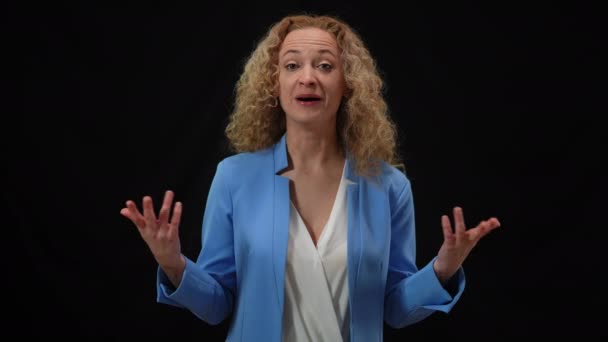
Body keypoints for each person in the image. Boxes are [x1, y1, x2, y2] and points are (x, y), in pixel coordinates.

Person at [120, 14, 501, 342]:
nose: (308, 78)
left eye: (324, 65)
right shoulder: (234, 177)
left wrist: (441, 270)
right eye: (291, 65)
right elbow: (218, 304)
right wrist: (174, 265)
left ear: (348, 83)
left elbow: (395, 309)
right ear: (274, 84)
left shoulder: (388, 187)